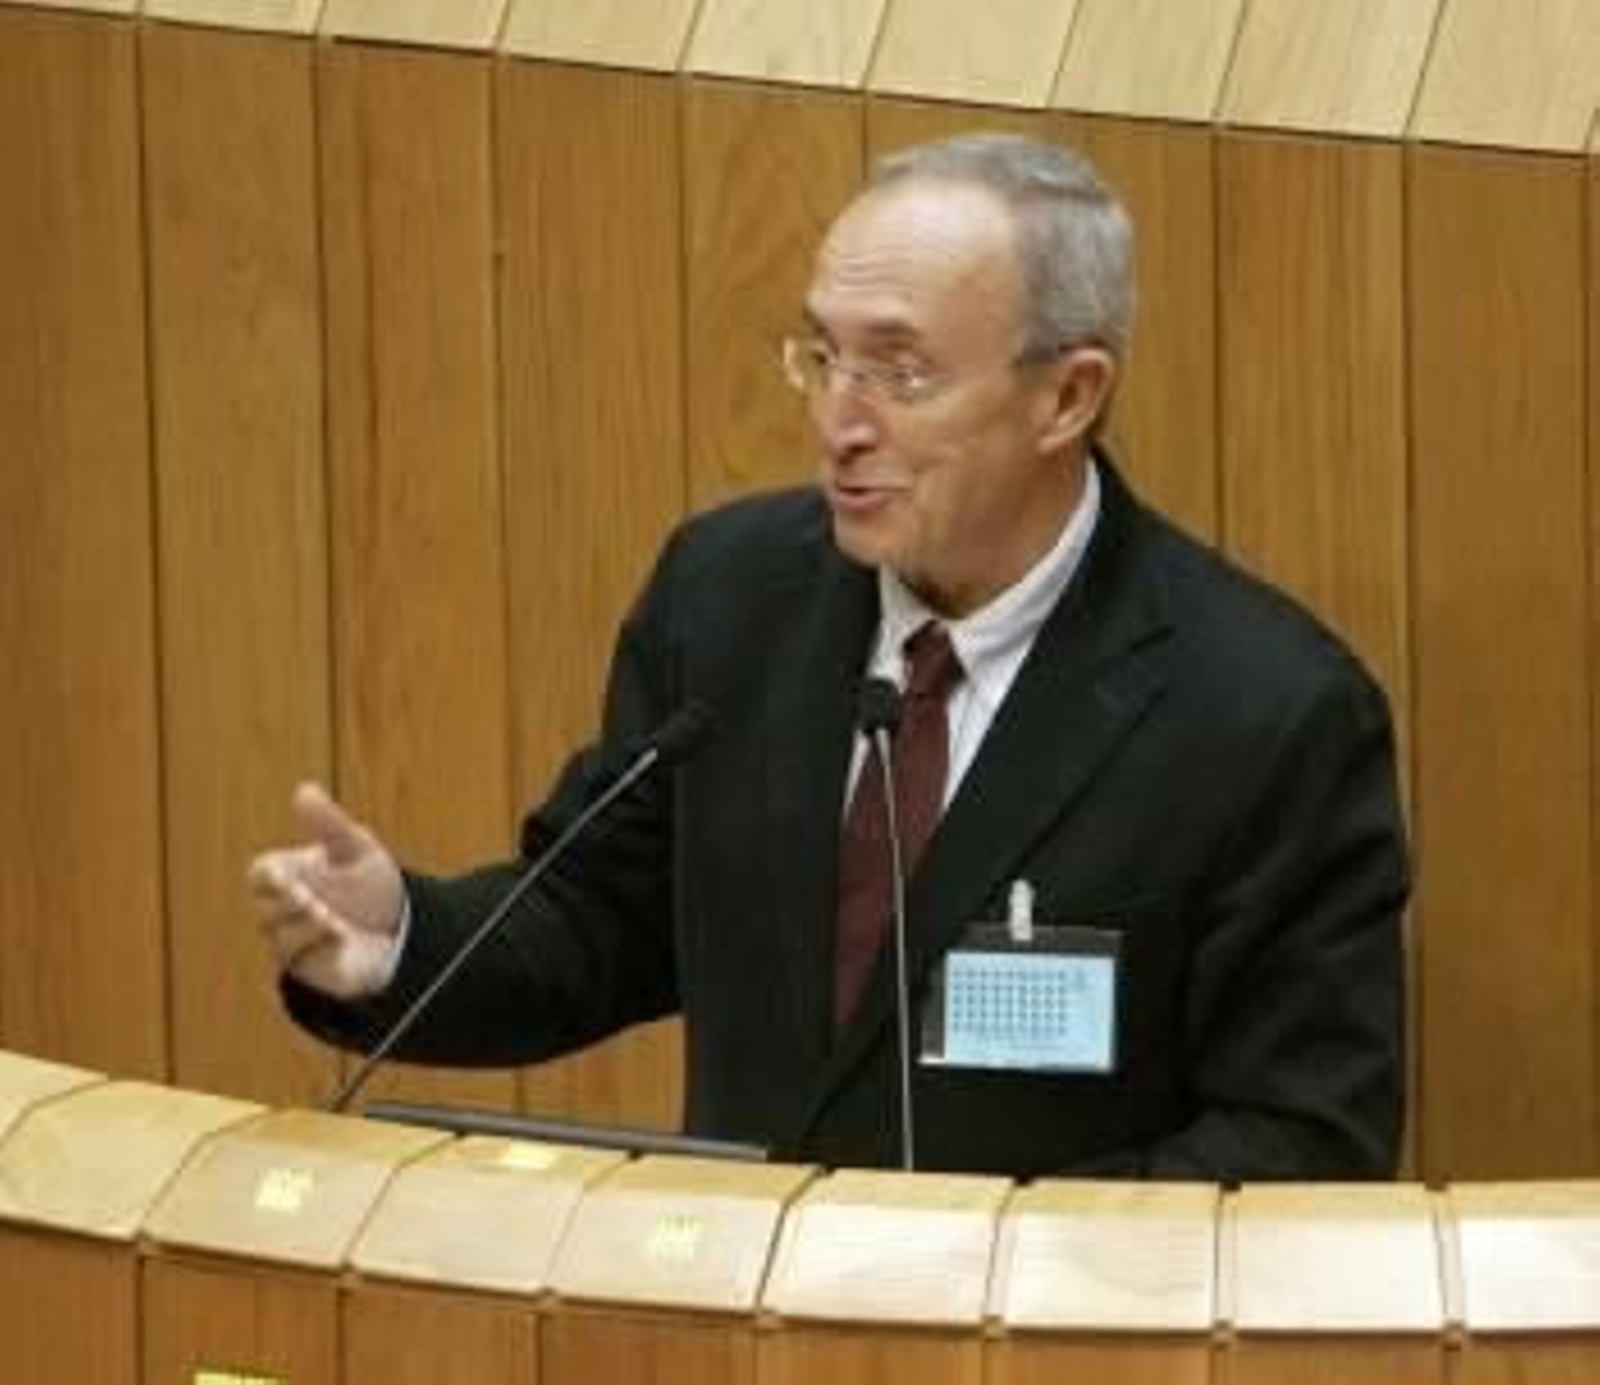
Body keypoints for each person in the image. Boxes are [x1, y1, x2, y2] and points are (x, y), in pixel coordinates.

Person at [250, 132, 1408, 1181]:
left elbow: (1300, 1143)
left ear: (1066, 394)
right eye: (821, 357)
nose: (839, 424)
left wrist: (956, 1272)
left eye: (900, 373)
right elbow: (600, 923)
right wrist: (398, 936)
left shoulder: (1263, 712)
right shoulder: (728, 599)